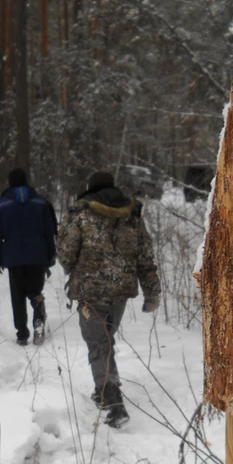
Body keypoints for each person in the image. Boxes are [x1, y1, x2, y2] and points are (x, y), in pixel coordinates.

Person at [57, 171, 161, 428]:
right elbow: (145, 257)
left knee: (97, 343)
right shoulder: (132, 215)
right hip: (120, 292)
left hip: (91, 291)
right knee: (104, 340)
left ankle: (113, 402)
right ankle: (104, 386)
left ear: (89, 189)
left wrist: (70, 260)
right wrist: (152, 293)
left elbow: (67, 256)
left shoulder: (80, 214)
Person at [0, 168, 58, 346]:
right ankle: (39, 324)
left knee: (17, 296)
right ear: (27, 181)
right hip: (38, 255)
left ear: (9, 182)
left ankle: (22, 334)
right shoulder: (41, 203)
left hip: (13, 258)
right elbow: (50, 232)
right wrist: (51, 255)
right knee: (36, 293)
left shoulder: (2, 205)